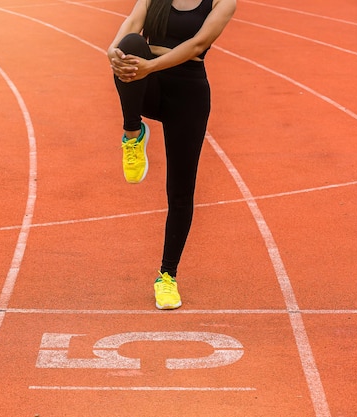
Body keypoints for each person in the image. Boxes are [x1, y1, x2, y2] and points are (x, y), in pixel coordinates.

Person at [107, 0, 236, 309]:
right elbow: (132, 23)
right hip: (148, 84)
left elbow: (198, 44)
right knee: (130, 44)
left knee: (180, 191)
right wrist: (113, 51)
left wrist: (149, 63)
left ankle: (167, 276)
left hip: (188, 94)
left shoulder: (222, 1)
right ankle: (132, 132)